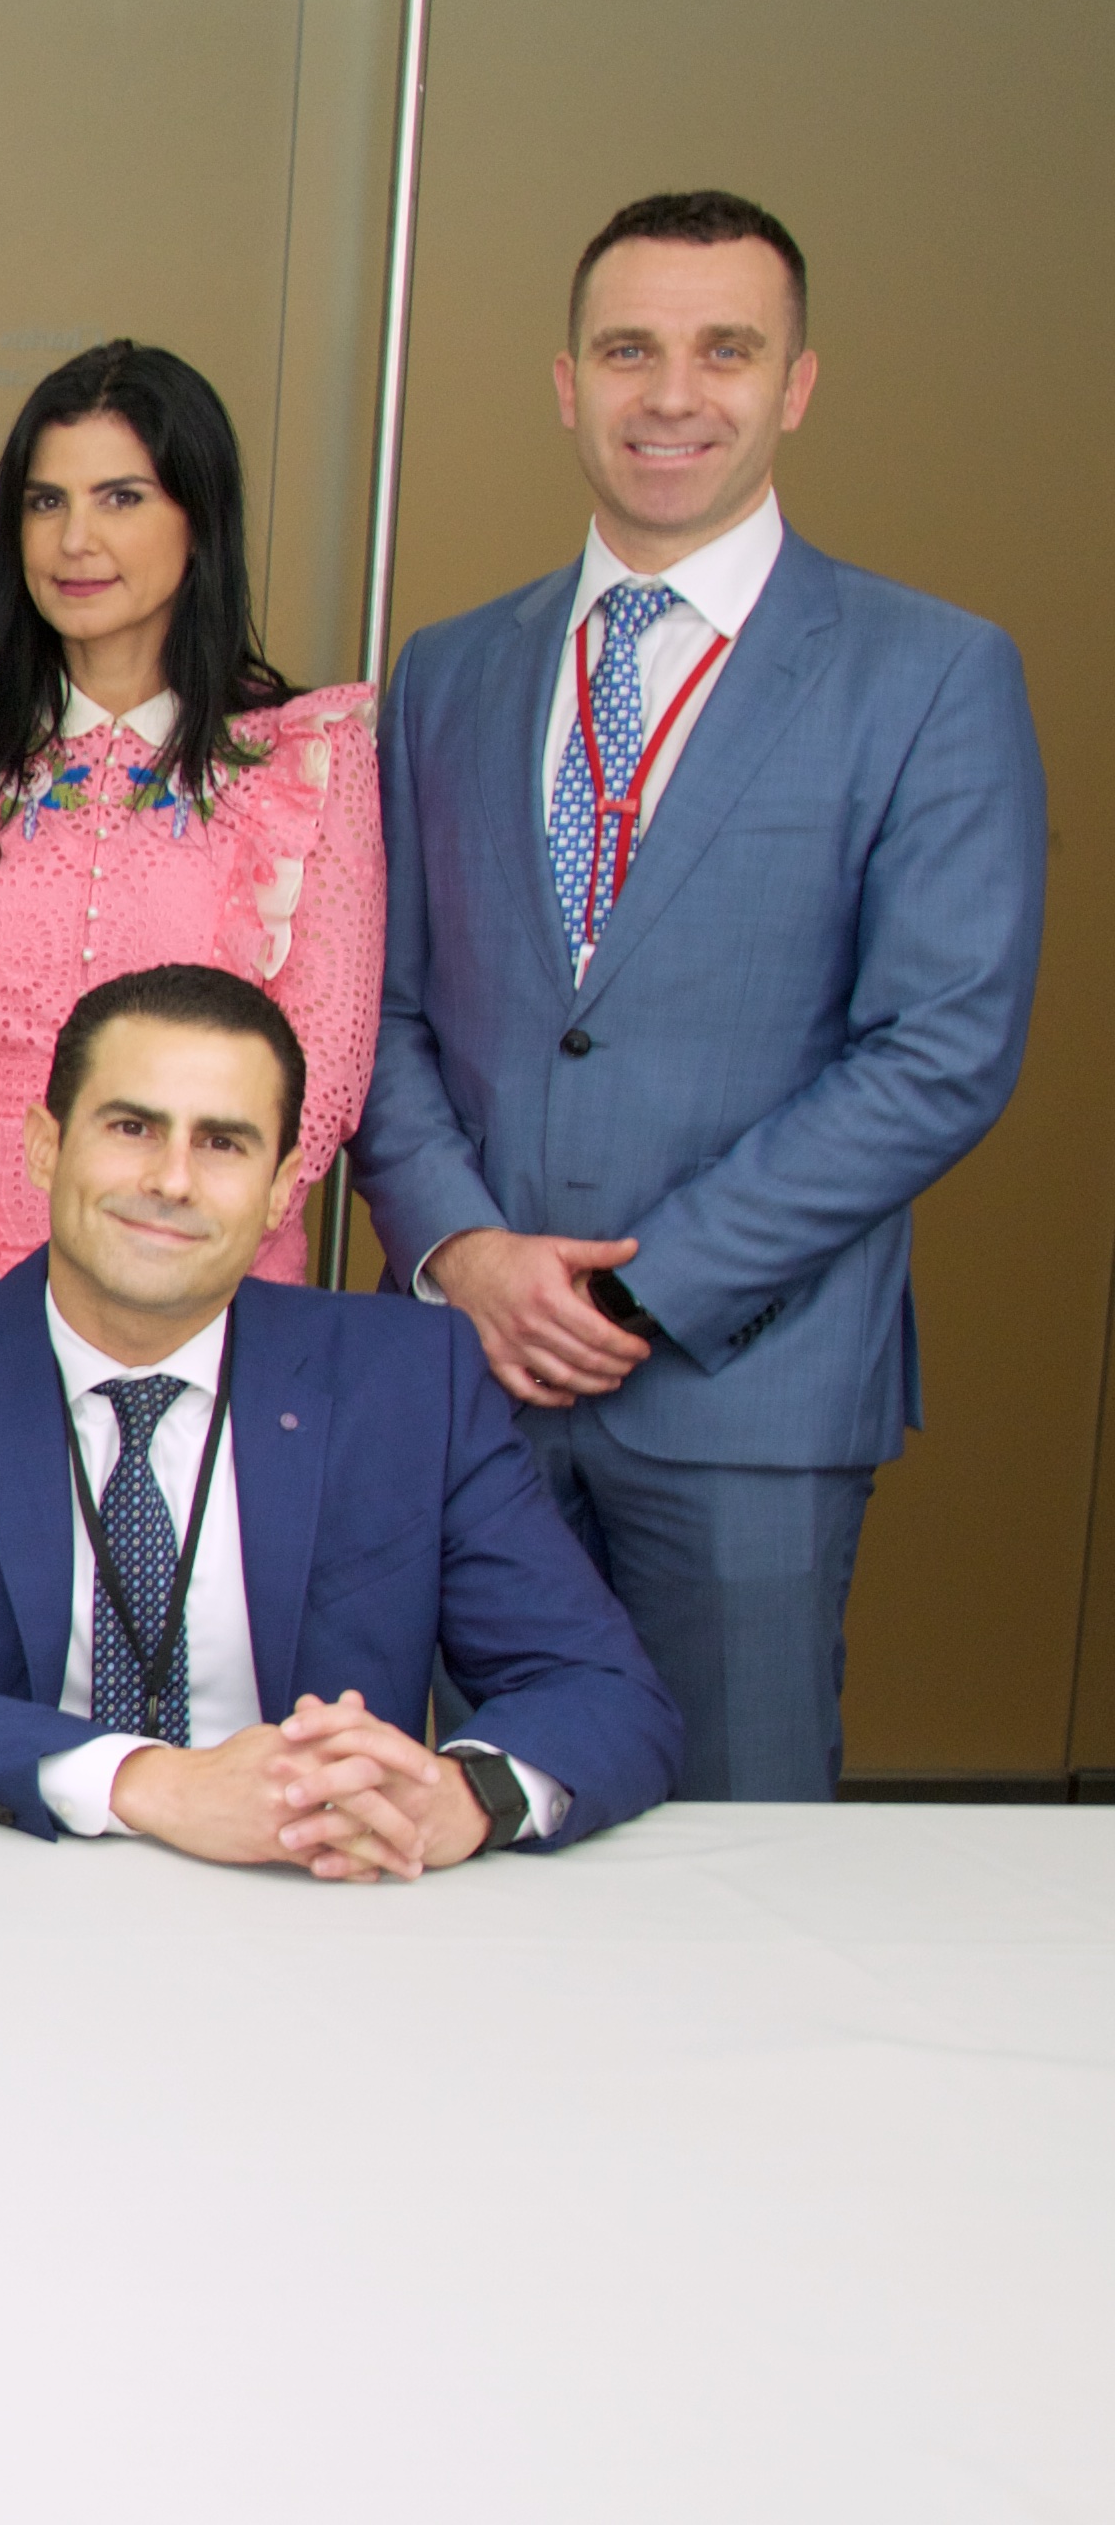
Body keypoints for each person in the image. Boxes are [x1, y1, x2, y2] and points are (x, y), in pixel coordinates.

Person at [352, 192, 1044, 1804]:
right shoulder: (451, 669)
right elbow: (374, 1009)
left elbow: (941, 1047)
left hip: (747, 1390)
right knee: (467, 1836)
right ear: (566, 381)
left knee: (740, 1854)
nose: (673, 393)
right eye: (630, 349)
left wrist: (636, 1292)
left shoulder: (931, 671)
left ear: (796, 382)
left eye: (725, 349)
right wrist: (459, 1249)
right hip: (474, 1384)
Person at [0, 967, 683, 1865]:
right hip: (4, 1899)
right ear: (46, 1145)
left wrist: (462, 1799)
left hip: (313, 1904)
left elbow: (601, 1691)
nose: (172, 1180)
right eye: (132, 1127)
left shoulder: (410, 1378)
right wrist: (154, 1785)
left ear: (284, 1188)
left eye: (224, 1144)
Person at [0, 341, 377, 1309]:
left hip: (200, 1298)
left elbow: (318, 1082)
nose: (72, 539)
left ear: (198, 520)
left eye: (119, 498)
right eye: (46, 502)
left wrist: (144, 1287)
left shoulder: (304, 760)